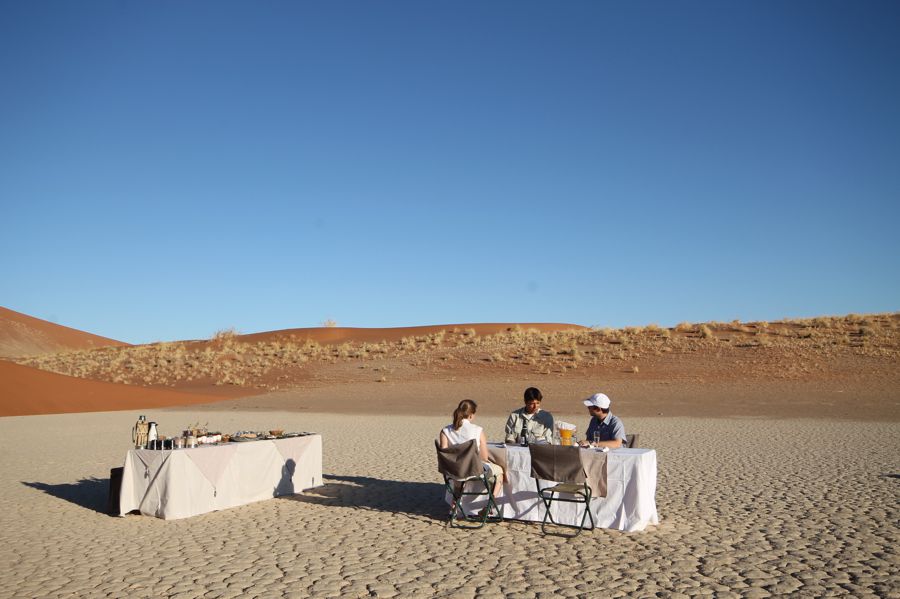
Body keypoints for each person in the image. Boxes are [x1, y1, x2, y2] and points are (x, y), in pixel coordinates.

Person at [439, 399, 503, 498]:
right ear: (471, 415)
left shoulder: (445, 431)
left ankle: (456, 502)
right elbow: (484, 457)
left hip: (453, 471)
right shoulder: (477, 430)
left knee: (459, 478)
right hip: (473, 471)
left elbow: (444, 453)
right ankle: (490, 504)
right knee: (499, 471)